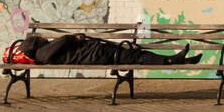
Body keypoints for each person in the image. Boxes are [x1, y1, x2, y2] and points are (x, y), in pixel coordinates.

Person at [12, 32, 201, 67]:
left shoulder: (43, 51)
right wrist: (74, 37)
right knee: (136, 56)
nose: (43, 38)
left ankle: (181, 60)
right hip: (96, 55)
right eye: (39, 39)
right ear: (35, 45)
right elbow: (64, 40)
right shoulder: (43, 53)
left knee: (136, 55)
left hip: (96, 53)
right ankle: (174, 60)